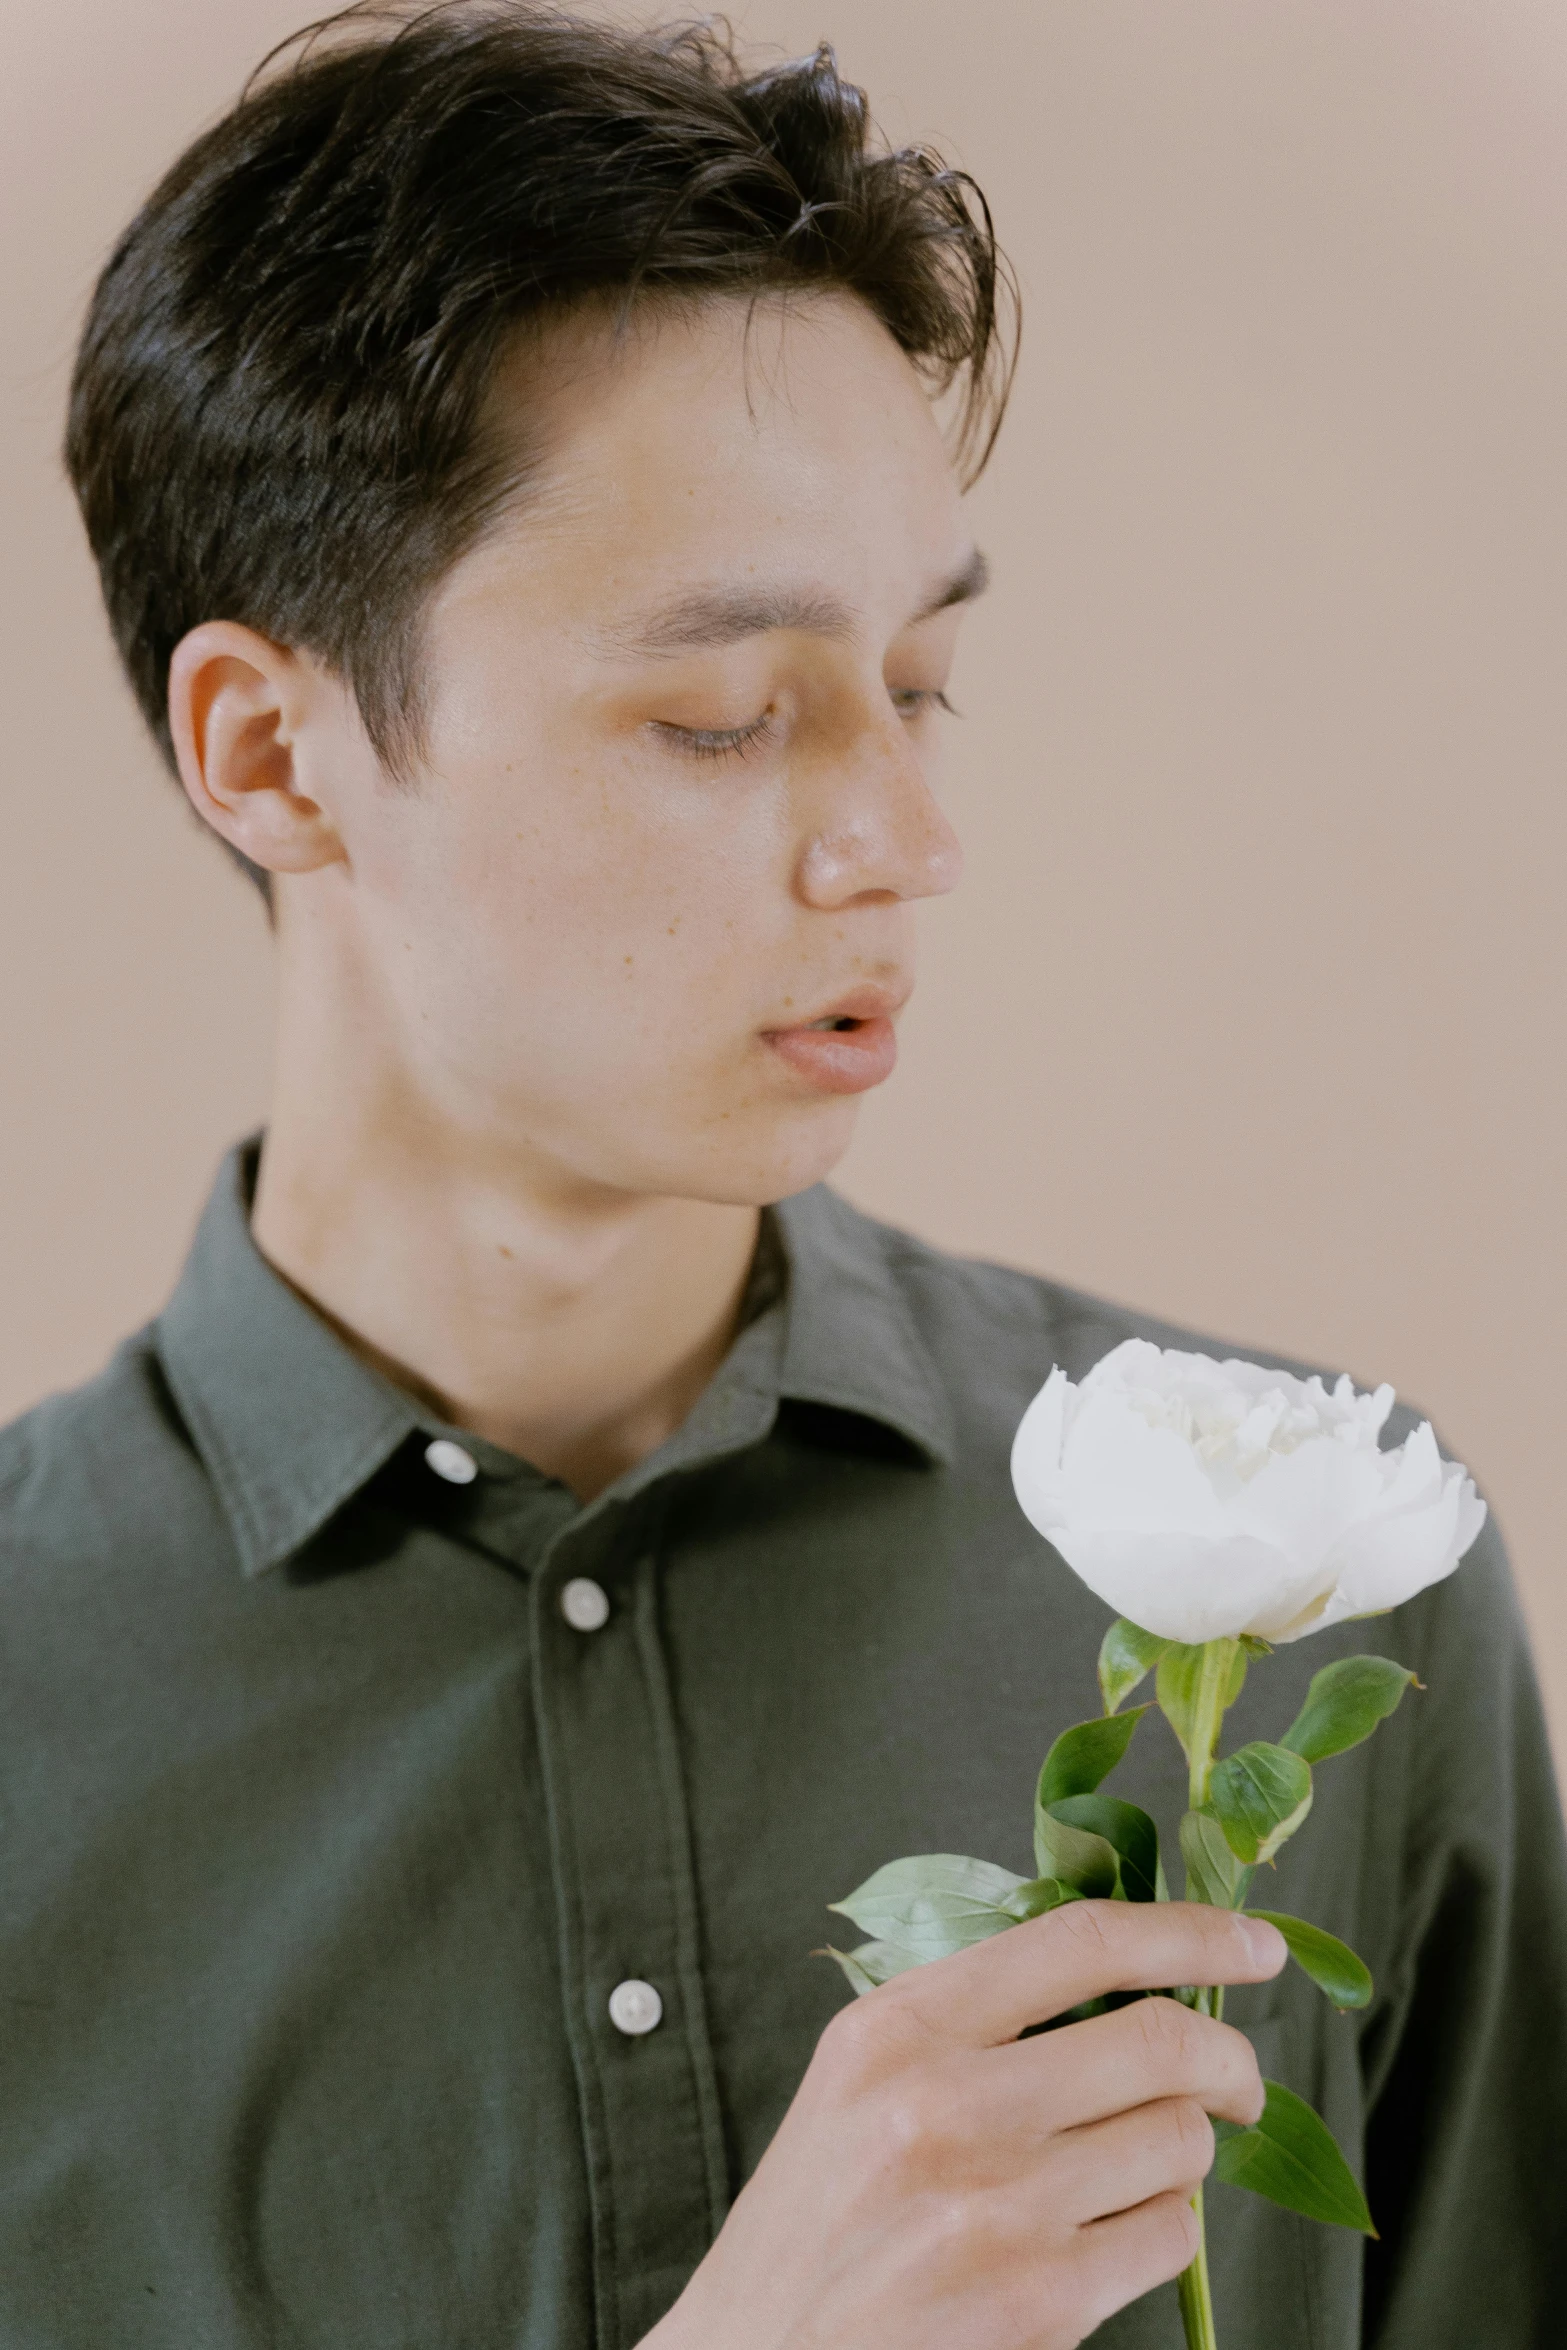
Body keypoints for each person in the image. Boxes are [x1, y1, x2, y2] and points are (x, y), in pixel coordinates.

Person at [4, 5, 1562, 2344]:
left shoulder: (1328, 1567)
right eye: (721, 714)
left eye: (919, 682)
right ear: (272, 750)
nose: (906, 847)